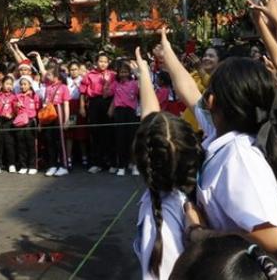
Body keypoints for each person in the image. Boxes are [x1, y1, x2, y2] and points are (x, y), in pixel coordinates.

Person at [132, 47, 204, 280]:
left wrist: (144, 73)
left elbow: (151, 129)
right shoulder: (194, 191)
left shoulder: (160, 221)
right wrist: (144, 73)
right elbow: (151, 124)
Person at [81, 53, 116, 173]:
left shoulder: (112, 75)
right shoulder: (89, 75)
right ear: (96, 61)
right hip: (94, 103)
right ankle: (96, 163)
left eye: (105, 62)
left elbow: (117, 91)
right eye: (100, 61)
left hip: (108, 103)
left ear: (108, 63)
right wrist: (82, 107)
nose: (103, 64)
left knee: (109, 133)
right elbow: (83, 91)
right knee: (95, 132)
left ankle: (111, 162)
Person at [108, 60, 140, 176]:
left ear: (129, 72)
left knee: (132, 139)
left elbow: (142, 92)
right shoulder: (115, 84)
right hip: (119, 112)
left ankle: (135, 165)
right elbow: (106, 94)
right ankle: (121, 166)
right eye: (121, 72)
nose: (123, 74)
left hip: (131, 112)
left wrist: (139, 75)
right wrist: (108, 81)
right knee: (120, 139)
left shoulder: (135, 83)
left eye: (126, 72)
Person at [41, 67, 71, 177]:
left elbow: (66, 104)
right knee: (49, 140)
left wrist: (66, 120)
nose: (46, 76)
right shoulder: (48, 87)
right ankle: (52, 165)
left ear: (56, 76)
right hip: (49, 115)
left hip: (59, 112)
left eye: (49, 74)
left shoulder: (63, 87)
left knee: (60, 141)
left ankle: (64, 166)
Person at [0, 76, 18, 175]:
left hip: (9, 121)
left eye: (11, 84)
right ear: (2, 84)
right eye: (7, 84)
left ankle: (11, 164)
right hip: (0, 120)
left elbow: (16, 110)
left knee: (9, 143)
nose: (9, 86)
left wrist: (12, 114)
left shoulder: (14, 96)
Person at [65, 61, 90, 168]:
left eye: (75, 69)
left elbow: (84, 94)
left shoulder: (83, 80)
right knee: (70, 134)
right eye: (71, 69)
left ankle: (84, 157)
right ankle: (69, 158)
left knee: (81, 134)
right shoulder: (66, 80)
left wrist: (82, 107)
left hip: (80, 107)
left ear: (79, 70)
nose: (73, 71)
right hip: (69, 107)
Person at [13, 76, 40, 175]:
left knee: (31, 144)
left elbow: (38, 109)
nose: (23, 86)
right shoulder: (17, 96)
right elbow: (14, 111)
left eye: (25, 84)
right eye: (21, 84)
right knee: (21, 144)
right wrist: (16, 106)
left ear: (30, 85)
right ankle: (23, 165)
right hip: (20, 123)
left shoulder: (34, 95)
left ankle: (32, 165)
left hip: (30, 121)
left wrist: (39, 122)